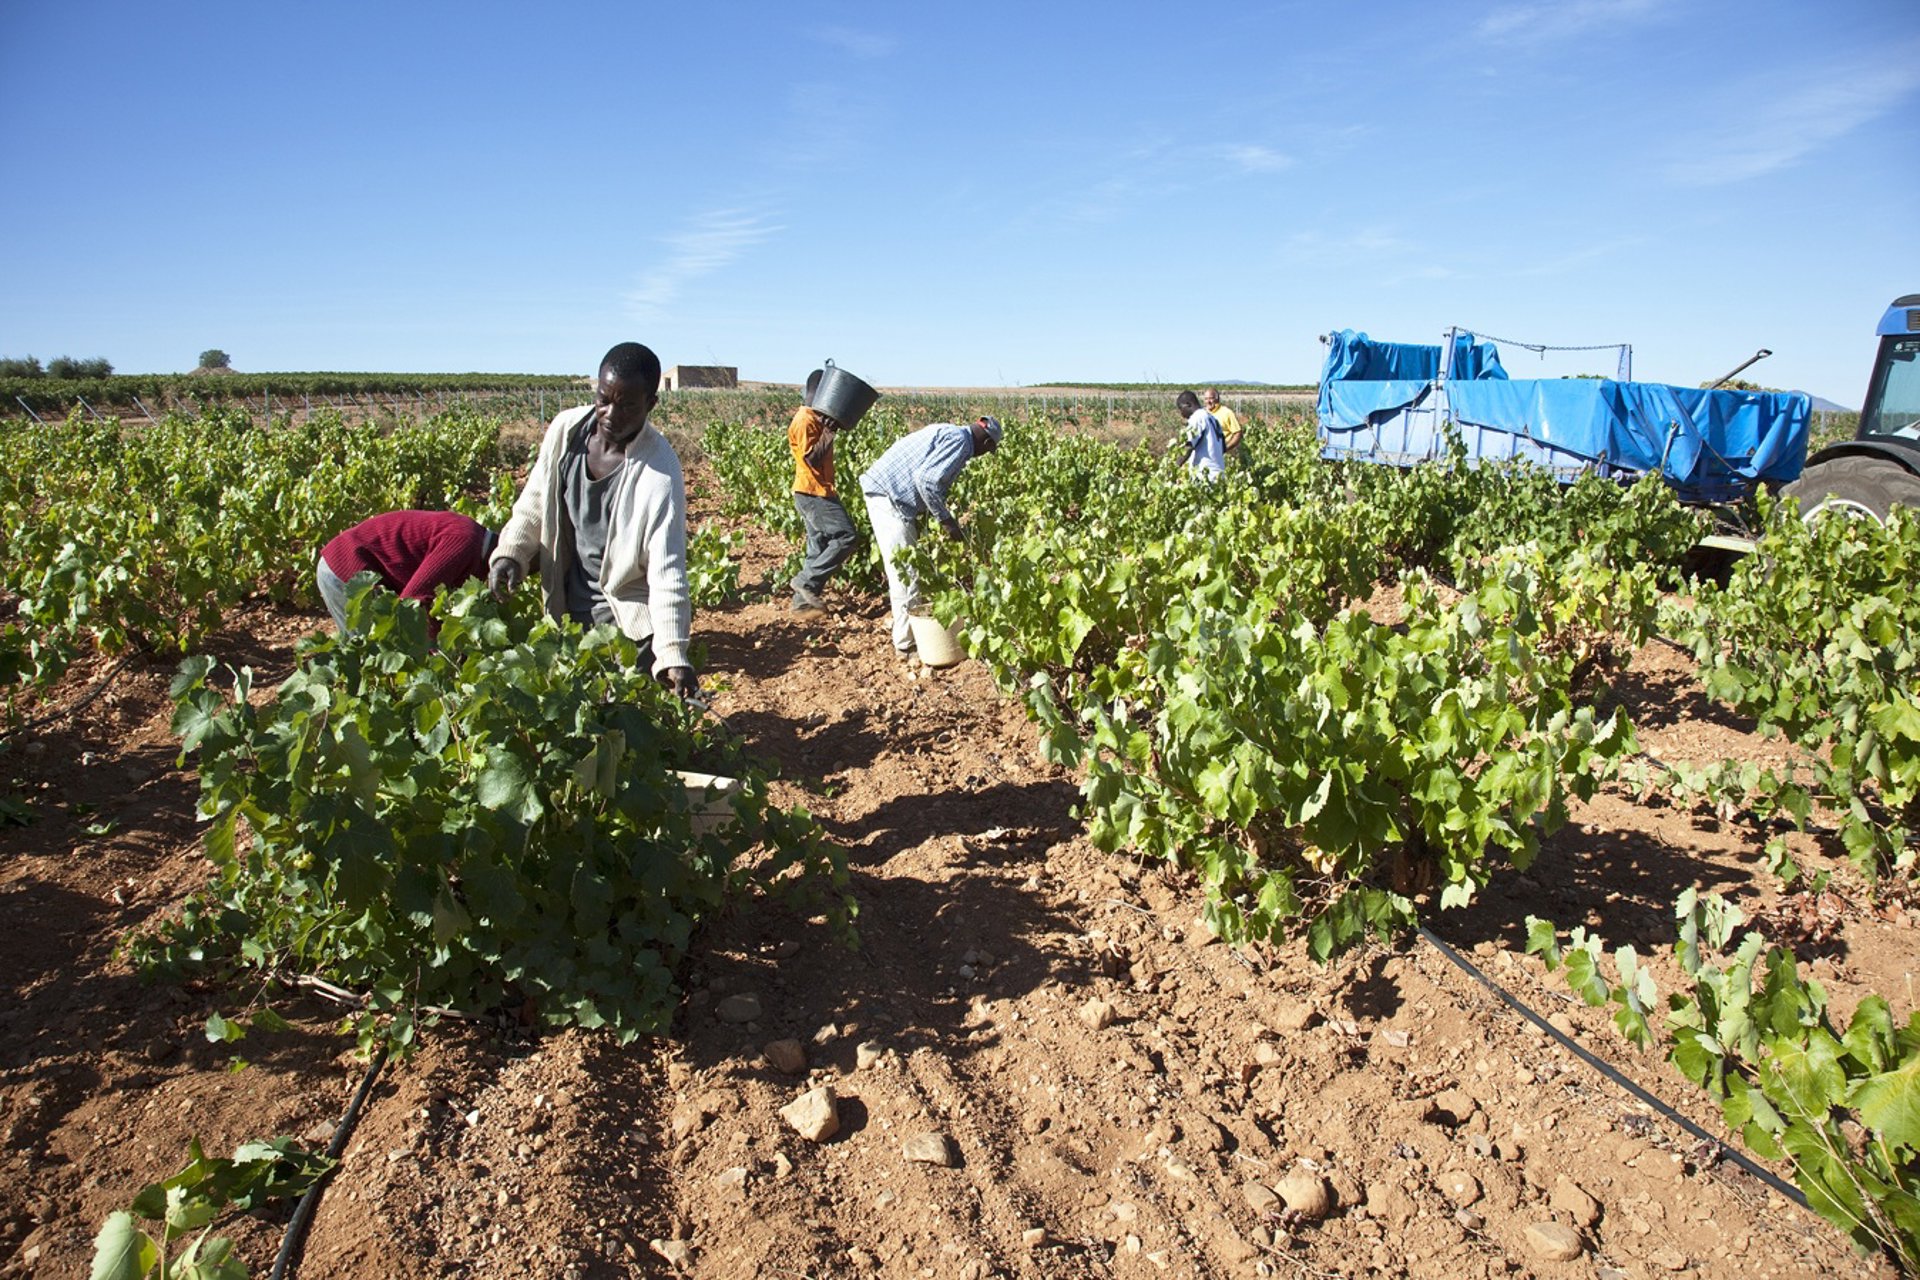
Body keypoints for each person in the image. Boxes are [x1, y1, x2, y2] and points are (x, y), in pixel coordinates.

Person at [488, 342, 697, 697]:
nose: (611, 414)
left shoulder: (659, 471)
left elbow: (668, 569)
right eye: (604, 400)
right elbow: (536, 499)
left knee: (619, 719)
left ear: (651, 404)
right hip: (567, 611)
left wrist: (673, 652)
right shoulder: (566, 431)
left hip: (627, 629)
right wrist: (511, 552)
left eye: (627, 406)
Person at [858, 415, 1002, 656]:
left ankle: (911, 636)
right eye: (988, 451)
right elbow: (926, 480)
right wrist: (947, 521)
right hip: (890, 498)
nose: (983, 455)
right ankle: (906, 644)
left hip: (885, 492)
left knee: (908, 568)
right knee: (906, 574)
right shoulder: (960, 442)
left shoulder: (950, 431)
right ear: (986, 443)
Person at [315, 510, 495, 634]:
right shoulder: (462, 543)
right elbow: (413, 601)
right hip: (344, 568)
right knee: (367, 655)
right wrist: (438, 647)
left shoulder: (475, 541)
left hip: (356, 569)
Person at [788, 399, 857, 614]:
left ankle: (801, 605)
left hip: (814, 491)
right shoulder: (805, 420)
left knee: (817, 547)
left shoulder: (814, 419)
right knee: (846, 536)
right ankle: (806, 581)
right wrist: (828, 432)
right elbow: (812, 460)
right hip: (813, 493)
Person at [1174, 390, 1225, 480]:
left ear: (1188, 404)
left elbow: (1189, 446)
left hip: (1205, 476)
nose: (1181, 414)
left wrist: (1175, 466)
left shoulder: (1197, 418)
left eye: (1181, 408)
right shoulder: (1211, 418)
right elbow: (1223, 446)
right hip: (1219, 474)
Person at [1203, 388, 1244, 465]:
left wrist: (1225, 448)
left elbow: (1238, 433)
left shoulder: (1227, 413)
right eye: (1206, 399)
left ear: (1217, 399)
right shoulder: (1202, 414)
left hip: (1225, 455)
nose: (1208, 401)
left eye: (1211, 398)